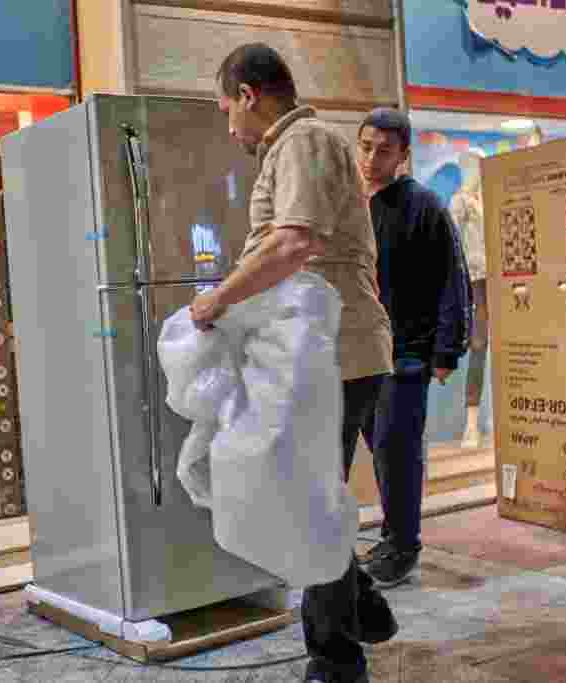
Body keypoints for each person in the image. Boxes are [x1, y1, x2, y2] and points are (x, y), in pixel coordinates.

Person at [190, 43, 397, 683]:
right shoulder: (292, 146)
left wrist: (216, 301)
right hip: (320, 353)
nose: (230, 126)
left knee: (307, 507)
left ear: (249, 95)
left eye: (228, 108)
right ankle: (360, 604)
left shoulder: (303, 141)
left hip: (335, 354)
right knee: (308, 498)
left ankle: (336, 663)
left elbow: (294, 242)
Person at [355, 109, 473, 587]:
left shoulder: (424, 206)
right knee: (377, 449)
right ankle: (390, 537)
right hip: (358, 351)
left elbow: (452, 279)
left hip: (406, 352)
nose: (371, 158)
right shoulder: (350, 203)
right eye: (365, 146)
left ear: (403, 154)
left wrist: (447, 351)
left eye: (384, 150)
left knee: (397, 450)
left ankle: (404, 546)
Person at [450, 149, 489, 449]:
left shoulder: (492, 197)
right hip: (476, 281)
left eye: (473, 167)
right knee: (478, 345)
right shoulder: (461, 201)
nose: (471, 173)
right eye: (466, 168)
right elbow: (451, 238)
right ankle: (471, 423)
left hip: (500, 279)